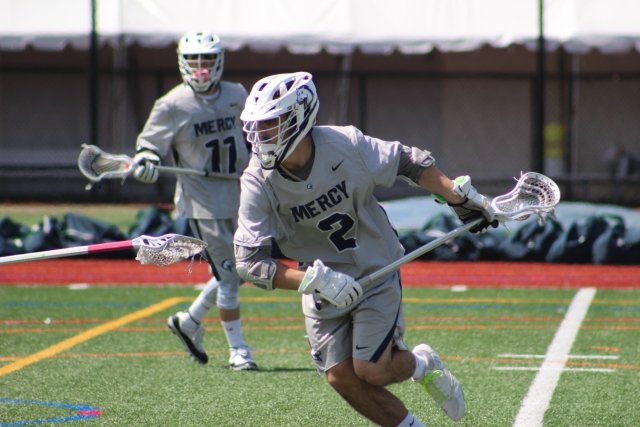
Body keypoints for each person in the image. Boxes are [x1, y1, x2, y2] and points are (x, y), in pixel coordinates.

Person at [233, 71, 498, 426]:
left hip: (375, 266)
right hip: (321, 279)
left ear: (300, 115)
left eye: (270, 125)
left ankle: (421, 364)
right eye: (257, 128)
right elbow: (249, 264)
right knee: (341, 377)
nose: (260, 137)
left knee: (372, 370)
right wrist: (314, 281)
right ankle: (416, 401)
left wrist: (455, 195)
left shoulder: (345, 144)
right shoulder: (256, 179)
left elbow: (407, 160)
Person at [132, 31, 257, 371]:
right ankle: (238, 351)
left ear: (218, 62)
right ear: (182, 63)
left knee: (236, 268)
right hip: (204, 201)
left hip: (241, 193)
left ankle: (188, 321)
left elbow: (253, 134)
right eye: (194, 61)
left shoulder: (236, 94)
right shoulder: (172, 104)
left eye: (207, 60)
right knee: (231, 275)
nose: (201, 68)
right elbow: (149, 146)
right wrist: (145, 161)